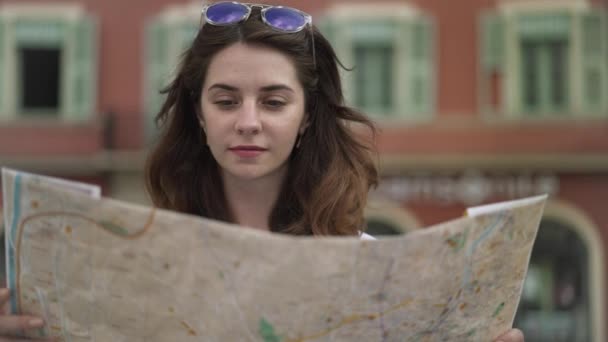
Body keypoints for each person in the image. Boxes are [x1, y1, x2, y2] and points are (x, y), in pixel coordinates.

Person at [0, 2, 524, 341]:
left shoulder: (377, 272)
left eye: (273, 102)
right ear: (199, 115)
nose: (247, 122)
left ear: (306, 119)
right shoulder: (131, 266)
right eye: (226, 100)